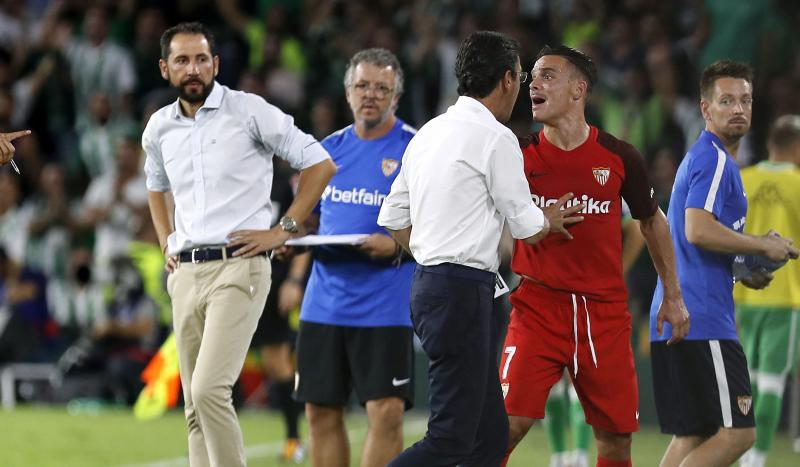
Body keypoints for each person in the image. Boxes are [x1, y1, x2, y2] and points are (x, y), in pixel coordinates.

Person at [379, 31, 581, 466]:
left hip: (434, 286)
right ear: (508, 80)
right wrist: (550, 218)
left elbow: (393, 216)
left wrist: (434, 256)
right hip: (462, 292)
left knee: (489, 436)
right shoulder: (496, 137)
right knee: (450, 439)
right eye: (522, 77)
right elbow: (527, 227)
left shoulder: (429, 132)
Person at [142, 22, 336, 467]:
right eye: (182, 60)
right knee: (193, 406)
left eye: (201, 59)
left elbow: (320, 164)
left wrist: (284, 228)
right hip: (185, 272)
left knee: (210, 389)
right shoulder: (158, 128)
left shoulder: (249, 111)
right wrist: (165, 242)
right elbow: (156, 186)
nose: (193, 69)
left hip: (240, 265)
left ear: (216, 63)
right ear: (164, 68)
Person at [500, 45, 689, 467]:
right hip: (537, 308)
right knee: (504, 428)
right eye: (532, 76)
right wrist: (534, 219)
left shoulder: (619, 156)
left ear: (578, 89)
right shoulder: (516, 154)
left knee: (616, 442)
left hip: (602, 314)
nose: (534, 82)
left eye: (548, 75)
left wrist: (673, 295)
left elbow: (653, 221)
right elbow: (490, 221)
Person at [649, 60, 799, 467]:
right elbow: (698, 229)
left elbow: (688, 240)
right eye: (727, 100)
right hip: (702, 317)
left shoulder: (707, 159)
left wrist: (741, 268)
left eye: (745, 100)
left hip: (679, 312)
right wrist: (761, 246)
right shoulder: (714, 159)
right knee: (739, 434)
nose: (738, 108)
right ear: (705, 108)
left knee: (695, 434)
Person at [294, 48, 417, 467]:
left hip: (385, 306)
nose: (371, 95)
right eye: (363, 86)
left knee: (386, 414)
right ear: (348, 93)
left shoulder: (417, 151)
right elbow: (304, 219)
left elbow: (444, 228)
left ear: (395, 98)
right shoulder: (324, 153)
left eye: (382, 88)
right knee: (320, 412)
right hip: (324, 303)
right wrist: (288, 240)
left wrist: (398, 244)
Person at [543, 201, 645, 467]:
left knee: (586, 374)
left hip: (594, 298)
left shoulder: (605, 180)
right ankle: (559, 457)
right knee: (551, 380)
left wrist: (617, 272)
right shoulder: (538, 172)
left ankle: (577, 455)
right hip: (547, 291)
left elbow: (637, 229)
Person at [734, 115, 800, 467]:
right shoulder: (798, 183)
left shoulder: (744, 180)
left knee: (748, 380)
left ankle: (739, 451)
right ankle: (755, 459)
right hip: (784, 296)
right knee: (772, 382)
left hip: (742, 295)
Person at [249, 159, 307, 463]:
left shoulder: (283, 182)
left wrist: (295, 280)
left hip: (272, 280)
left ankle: (293, 438)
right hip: (231, 277)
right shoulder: (233, 171)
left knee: (276, 362)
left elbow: (301, 231)